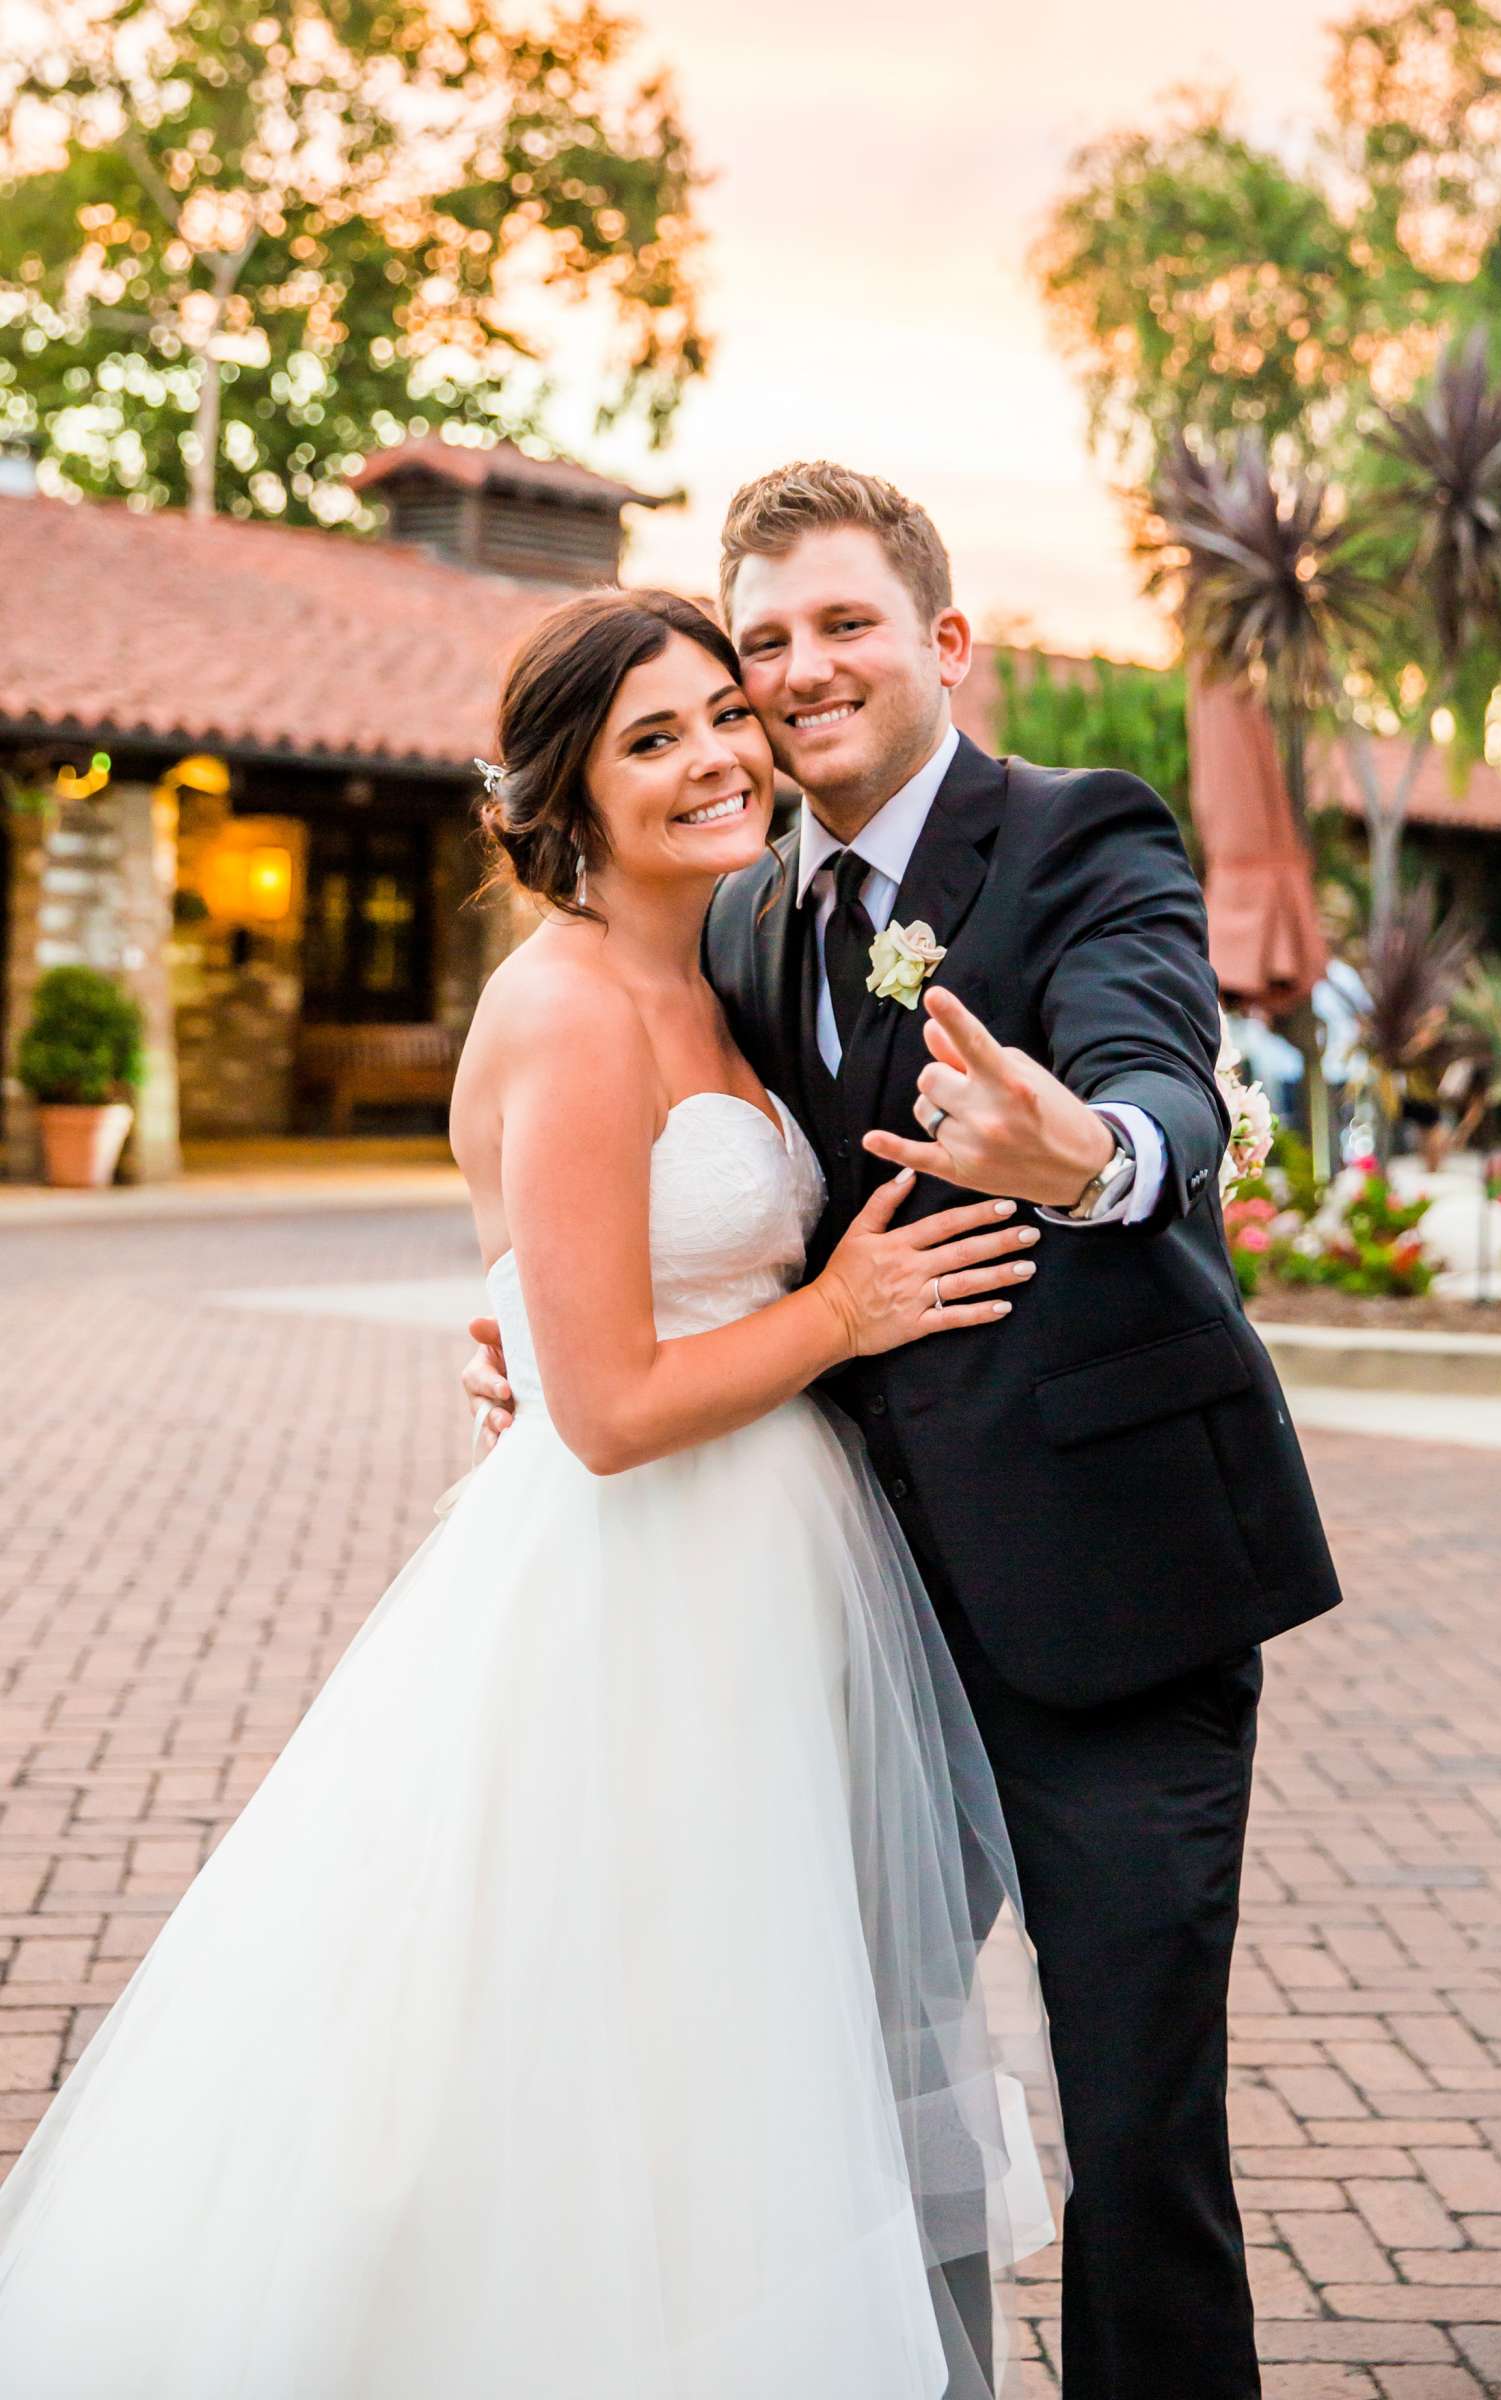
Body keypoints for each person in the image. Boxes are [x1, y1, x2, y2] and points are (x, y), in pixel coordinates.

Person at [0, 590, 1062, 2398]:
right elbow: (605, 1409)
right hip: (641, 1587)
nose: (720, 757)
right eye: (653, 741)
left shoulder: (722, 965)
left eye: (723, 715)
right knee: (620, 2053)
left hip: (772, 1575)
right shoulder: (569, 1009)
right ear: (562, 798)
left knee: (749, 2054)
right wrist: (840, 1307)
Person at [466, 463, 1345, 2399]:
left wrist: (1093, 1150)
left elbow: (1151, 1069)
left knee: (1132, 2140)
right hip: (836, 1629)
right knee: (845, 2100)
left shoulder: (1078, 838)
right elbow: (691, 1194)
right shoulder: (749, 912)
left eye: (840, 624)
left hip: (1108, 1605)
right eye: (758, 640)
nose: (793, 673)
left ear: (940, 641)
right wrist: (544, 1326)